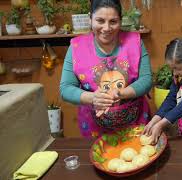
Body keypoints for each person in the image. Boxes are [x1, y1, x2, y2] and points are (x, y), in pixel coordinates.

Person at [60, 0, 152, 138]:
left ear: (121, 20)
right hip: (94, 128)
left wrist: (120, 93)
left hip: (136, 124)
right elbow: (65, 88)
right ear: (90, 18)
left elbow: (146, 79)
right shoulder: (76, 47)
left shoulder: (135, 42)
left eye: (113, 21)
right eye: (100, 21)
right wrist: (93, 98)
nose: (107, 28)